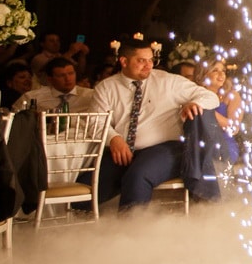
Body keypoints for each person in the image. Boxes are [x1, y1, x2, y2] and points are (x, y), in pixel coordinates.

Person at [77, 37, 220, 211]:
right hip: (124, 150)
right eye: (141, 61)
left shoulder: (168, 81)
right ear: (124, 61)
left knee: (138, 176)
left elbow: (210, 97)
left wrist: (195, 103)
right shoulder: (106, 87)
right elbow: (95, 122)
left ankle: (132, 225)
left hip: (166, 148)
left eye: (151, 60)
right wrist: (113, 138)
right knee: (86, 188)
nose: (148, 65)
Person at [11, 56, 96, 112]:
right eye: (61, 75)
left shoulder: (91, 96)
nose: (68, 79)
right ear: (50, 79)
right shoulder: (31, 97)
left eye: (71, 73)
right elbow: (15, 119)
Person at [198, 60, 242, 164]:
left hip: (224, 145)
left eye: (223, 71)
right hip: (200, 142)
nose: (221, 74)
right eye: (215, 70)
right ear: (204, 74)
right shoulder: (197, 94)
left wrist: (207, 112)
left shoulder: (231, 95)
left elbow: (234, 128)